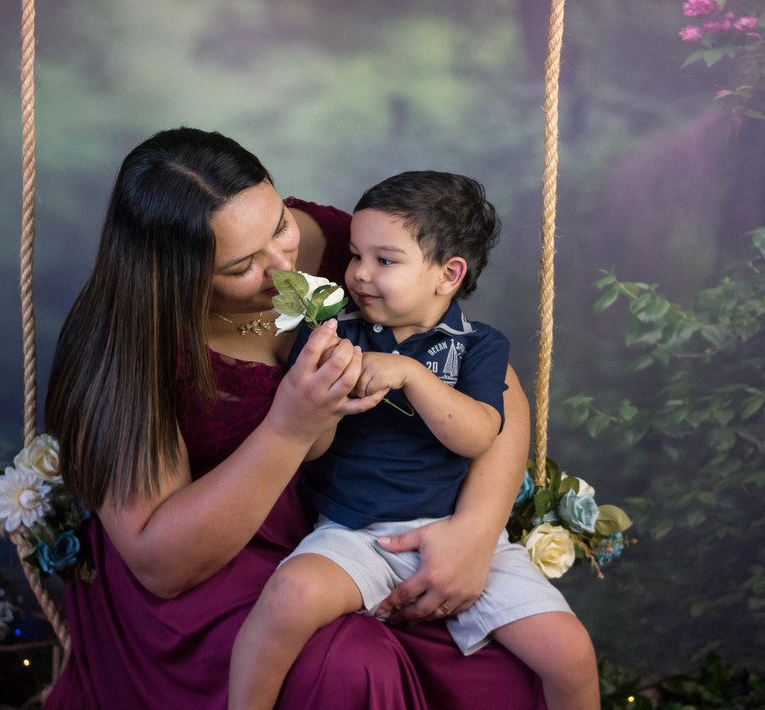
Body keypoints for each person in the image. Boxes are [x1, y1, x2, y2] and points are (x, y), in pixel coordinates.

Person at [41, 127, 576, 709]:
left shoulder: (348, 252)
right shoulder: (124, 343)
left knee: (502, 676)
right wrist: (290, 426)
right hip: (216, 564)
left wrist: (475, 532)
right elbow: (161, 566)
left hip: (373, 518)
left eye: (279, 225)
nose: (283, 266)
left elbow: (485, 377)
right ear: (177, 275)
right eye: (244, 264)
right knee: (350, 668)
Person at [228, 172, 600, 710]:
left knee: (570, 653)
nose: (357, 274)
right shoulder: (334, 332)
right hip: (354, 534)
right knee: (288, 598)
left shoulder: (477, 346)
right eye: (355, 255)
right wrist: (322, 400)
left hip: (461, 537)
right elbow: (311, 452)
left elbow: (477, 436)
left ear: (449, 274)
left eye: (384, 260)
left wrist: (410, 374)